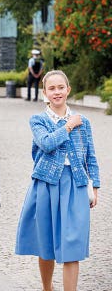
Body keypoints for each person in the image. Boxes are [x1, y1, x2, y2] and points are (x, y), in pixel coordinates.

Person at [15, 70, 100, 291]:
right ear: (44, 92)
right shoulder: (38, 120)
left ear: (68, 89)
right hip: (45, 185)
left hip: (76, 184)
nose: (57, 92)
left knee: (73, 242)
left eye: (61, 87)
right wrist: (69, 126)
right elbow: (46, 143)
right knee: (46, 242)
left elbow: (90, 155)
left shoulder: (84, 122)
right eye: (52, 88)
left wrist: (96, 186)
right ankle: (47, 288)